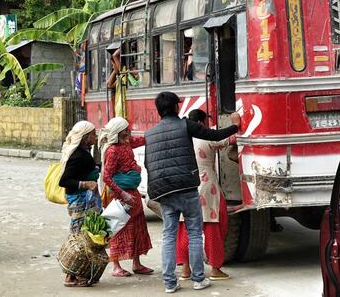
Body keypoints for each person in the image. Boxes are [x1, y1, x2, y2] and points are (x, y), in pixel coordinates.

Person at [144, 91, 241, 294]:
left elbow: (148, 164)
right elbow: (214, 135)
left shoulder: (150, 133)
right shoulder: (185, 125)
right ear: (176, 107)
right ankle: (198, 279)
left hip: (164, 191)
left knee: (169, 236)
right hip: (187, 188)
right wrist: (235, 126)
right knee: (195, 233)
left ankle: (170, 283)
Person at [176, 109, 235, 281]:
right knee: (212, 227)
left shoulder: (181, 138)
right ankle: (215, 269)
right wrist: (236, 123)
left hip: (186, 184)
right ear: (201, 123)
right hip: (207, 185)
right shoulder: (206, 137)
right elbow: (230, 139)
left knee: (184, 227)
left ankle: (185, 269)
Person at [101, 117, 153, 278]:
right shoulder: (112, 150)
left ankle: (136, 264)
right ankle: (116, 266)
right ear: (118, 132)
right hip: (119, 196)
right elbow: (106, 177)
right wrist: (122, 194)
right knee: (118, 229)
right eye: (126, 129)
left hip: (132, 193)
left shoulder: (127, 143)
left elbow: (144, 139)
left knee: (137, 228)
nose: (129, 131)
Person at [58, 121, 101, 287]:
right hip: (78, 200)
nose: (95, 137)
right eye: (92, 135)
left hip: (82, 200)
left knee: (83, 237)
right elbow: (64, 181)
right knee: (79, 238)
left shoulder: (84, 152)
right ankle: (70, 275)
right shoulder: (77, 155)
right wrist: (86, 184)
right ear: (84, 137)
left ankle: (79, 273)